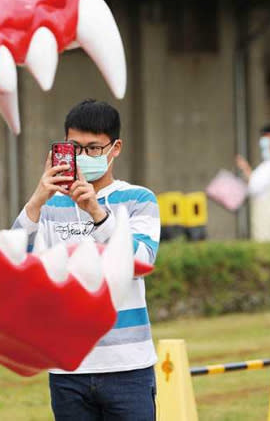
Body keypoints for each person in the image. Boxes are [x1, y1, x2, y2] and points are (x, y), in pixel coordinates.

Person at [13, 99, 160, 420]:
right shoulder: (50, 206)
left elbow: (140, 260)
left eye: (94, 148)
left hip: (127, 366)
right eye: (74, 148)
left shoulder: (138, 199)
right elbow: (18, 265)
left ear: (115, 148)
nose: (83, 157)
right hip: (68, 366)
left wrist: (96, 212)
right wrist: (38, 199)